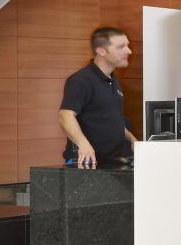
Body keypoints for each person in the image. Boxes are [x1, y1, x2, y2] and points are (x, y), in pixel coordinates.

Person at [57, 26, 134, 170]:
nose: (129, 51)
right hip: (89, 165)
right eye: (121, 46)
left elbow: (113, 120)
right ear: (101, 50)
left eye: (127, 46)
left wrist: (133, 140)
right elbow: (65, 115)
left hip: (113, 162)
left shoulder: (114, 80)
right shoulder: (81, 80)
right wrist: (83, 144)